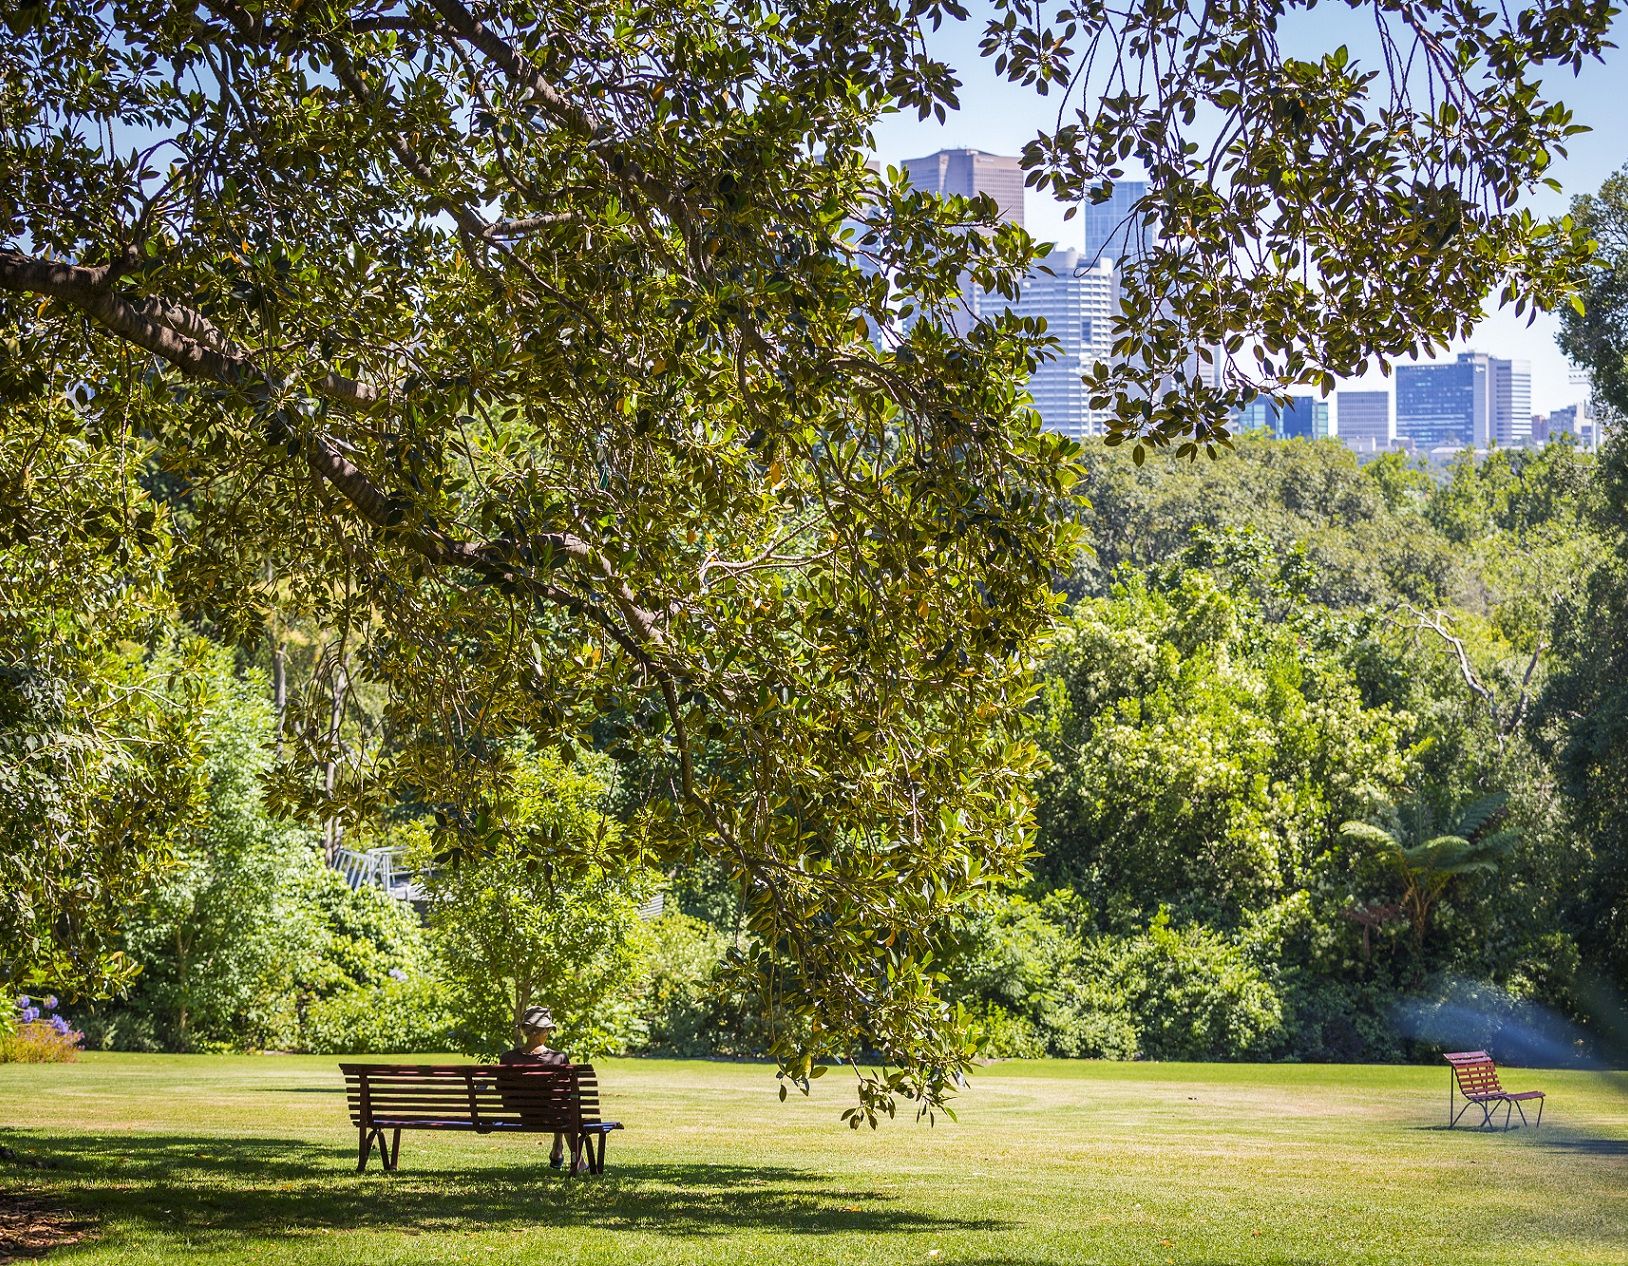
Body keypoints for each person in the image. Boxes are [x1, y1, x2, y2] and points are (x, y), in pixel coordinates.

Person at [499, 1005, 583, 1171]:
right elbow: (568, 1092)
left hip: (524, 1115)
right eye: (548, 1031)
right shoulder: (558, 1058)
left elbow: (502, 1090)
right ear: (542, 1032)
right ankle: (578, 1162)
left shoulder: (507, 1058)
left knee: (559, 1106)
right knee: (563, 1107)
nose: (548, 1034)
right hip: (553, 1117)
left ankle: (558, 1149)